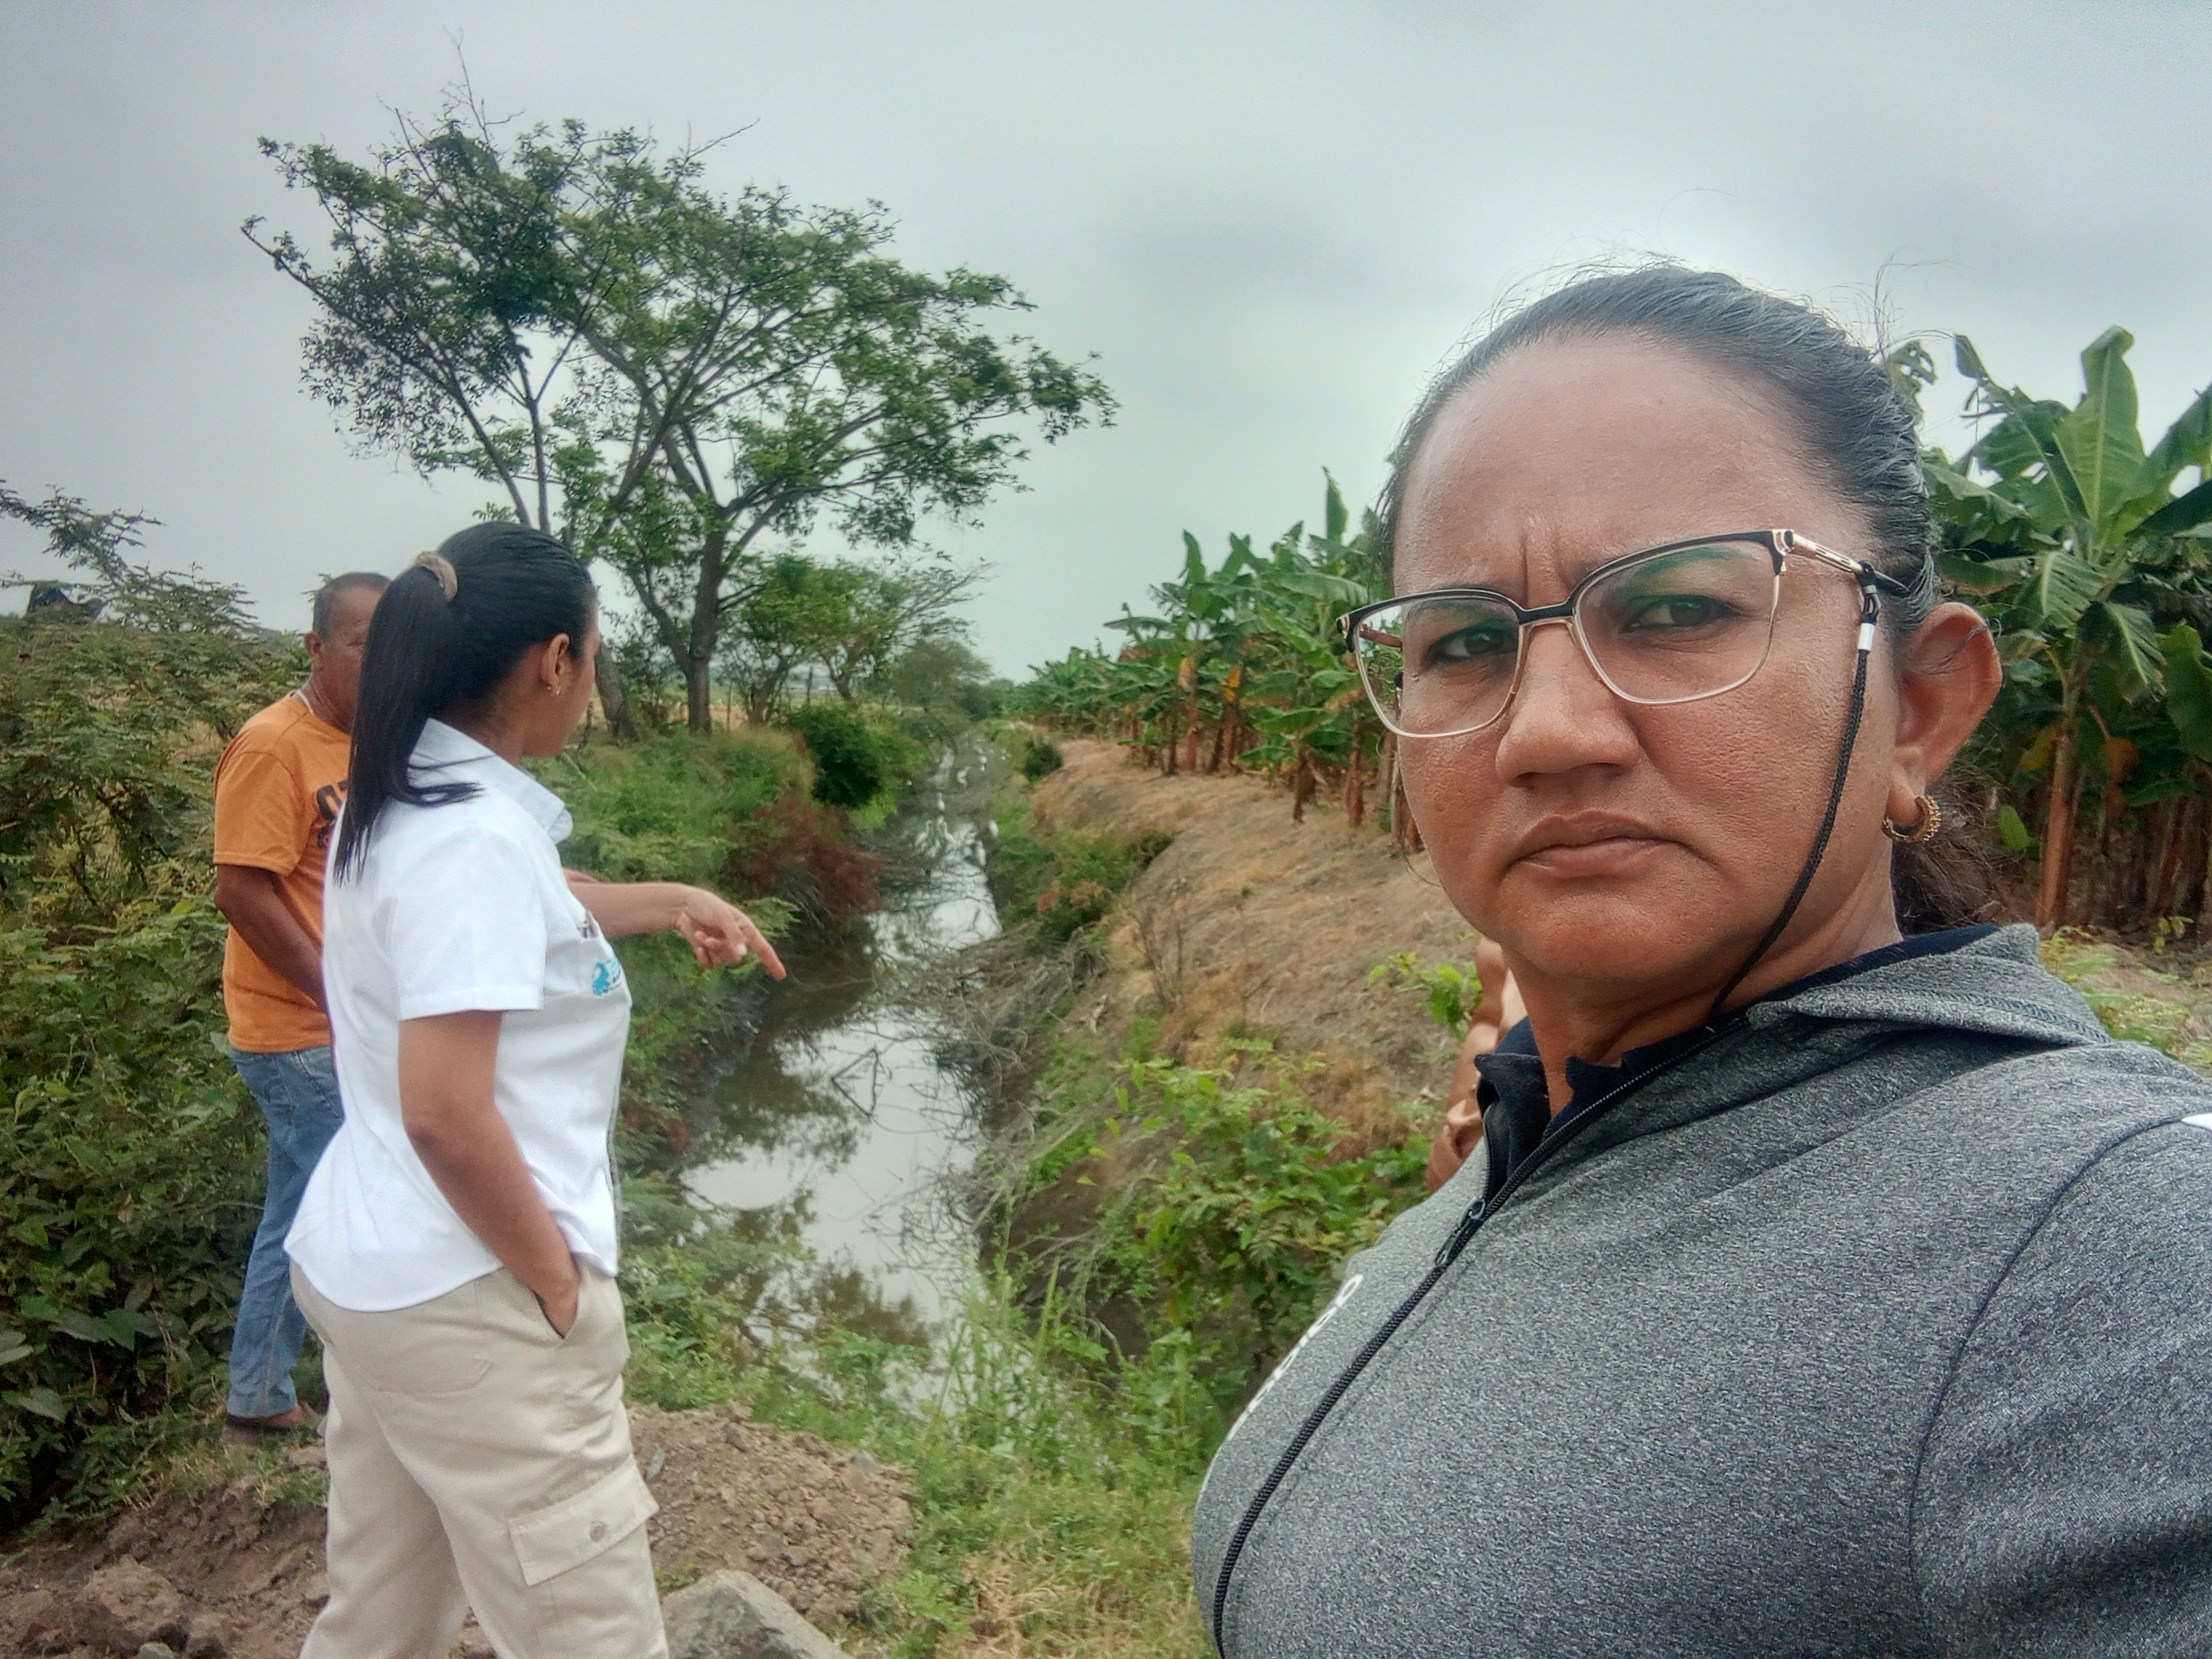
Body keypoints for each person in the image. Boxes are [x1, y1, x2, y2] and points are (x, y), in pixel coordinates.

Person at [1192, 266, 2212, 1657]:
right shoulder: (1525, 1142)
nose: (1547, 732)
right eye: (1466, 641)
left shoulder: (2116, 1237)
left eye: (1676, 611)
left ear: (1918, 706)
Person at [285, 524, 784, 1658]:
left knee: (378, 1619)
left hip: (375, 1269)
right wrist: (556, 1285)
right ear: (554, 660)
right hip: (474, 1297)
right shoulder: (472, 844)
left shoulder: (403, 800)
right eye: (595, 655)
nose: (593, 678)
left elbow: (540, 899)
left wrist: (674, 900)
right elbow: (444, 1111)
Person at [211, 569, 388, 1432]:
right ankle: (344, 1397)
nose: (380, 664)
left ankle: (261, 1392)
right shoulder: (274, 745)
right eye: (361, 645)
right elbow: (242, 891)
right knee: (341, 1212)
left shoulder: (372, 741)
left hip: (344, 1027)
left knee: (302, 1209)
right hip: (297, 1033)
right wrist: (340, 996)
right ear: (316, 646)